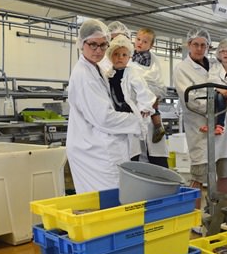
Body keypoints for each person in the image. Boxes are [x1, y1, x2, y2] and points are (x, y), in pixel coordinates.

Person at [66, 19, 142, 193]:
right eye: (93, 45)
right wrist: (137, 121)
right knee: (106, 202)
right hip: (93, 151)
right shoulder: (84, 76)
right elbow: (104, 118)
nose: (98, 50)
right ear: (81, 43)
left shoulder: (96, 68)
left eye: (103, 45)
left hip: (99, 147)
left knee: (109, 202)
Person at [173, 28, 227, 209]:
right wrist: (217, 98)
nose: (199, 48)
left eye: (203, 45)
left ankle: (222, 212)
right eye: (195, 44)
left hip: (223, 126)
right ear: (189, 45)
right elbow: (191, 99)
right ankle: (194, 216)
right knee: (198, 176)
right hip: (200, 127)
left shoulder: (216, 65)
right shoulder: (182, 69)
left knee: (224, 172)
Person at [103, 34, 156, 162]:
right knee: (118, 151)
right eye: (116, 54)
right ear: (110, 56)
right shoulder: (107, 75)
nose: (120, 58)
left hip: (129, 114)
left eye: (124, 55)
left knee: (132, 151)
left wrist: (145, 107)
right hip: (115, 116)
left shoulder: (132, 73)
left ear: (129, 57)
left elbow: (143, 90)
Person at [131, 27, 170, 167]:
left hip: (150, 105)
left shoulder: (152, 60)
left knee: (158, 161)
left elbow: (157, 84)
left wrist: (148, 93)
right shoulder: (129, 57)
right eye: (138, 39)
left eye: (145, 41)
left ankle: (158, 126)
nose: (140, 43)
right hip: (135, 114)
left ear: (151, 45)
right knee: (137, 160)